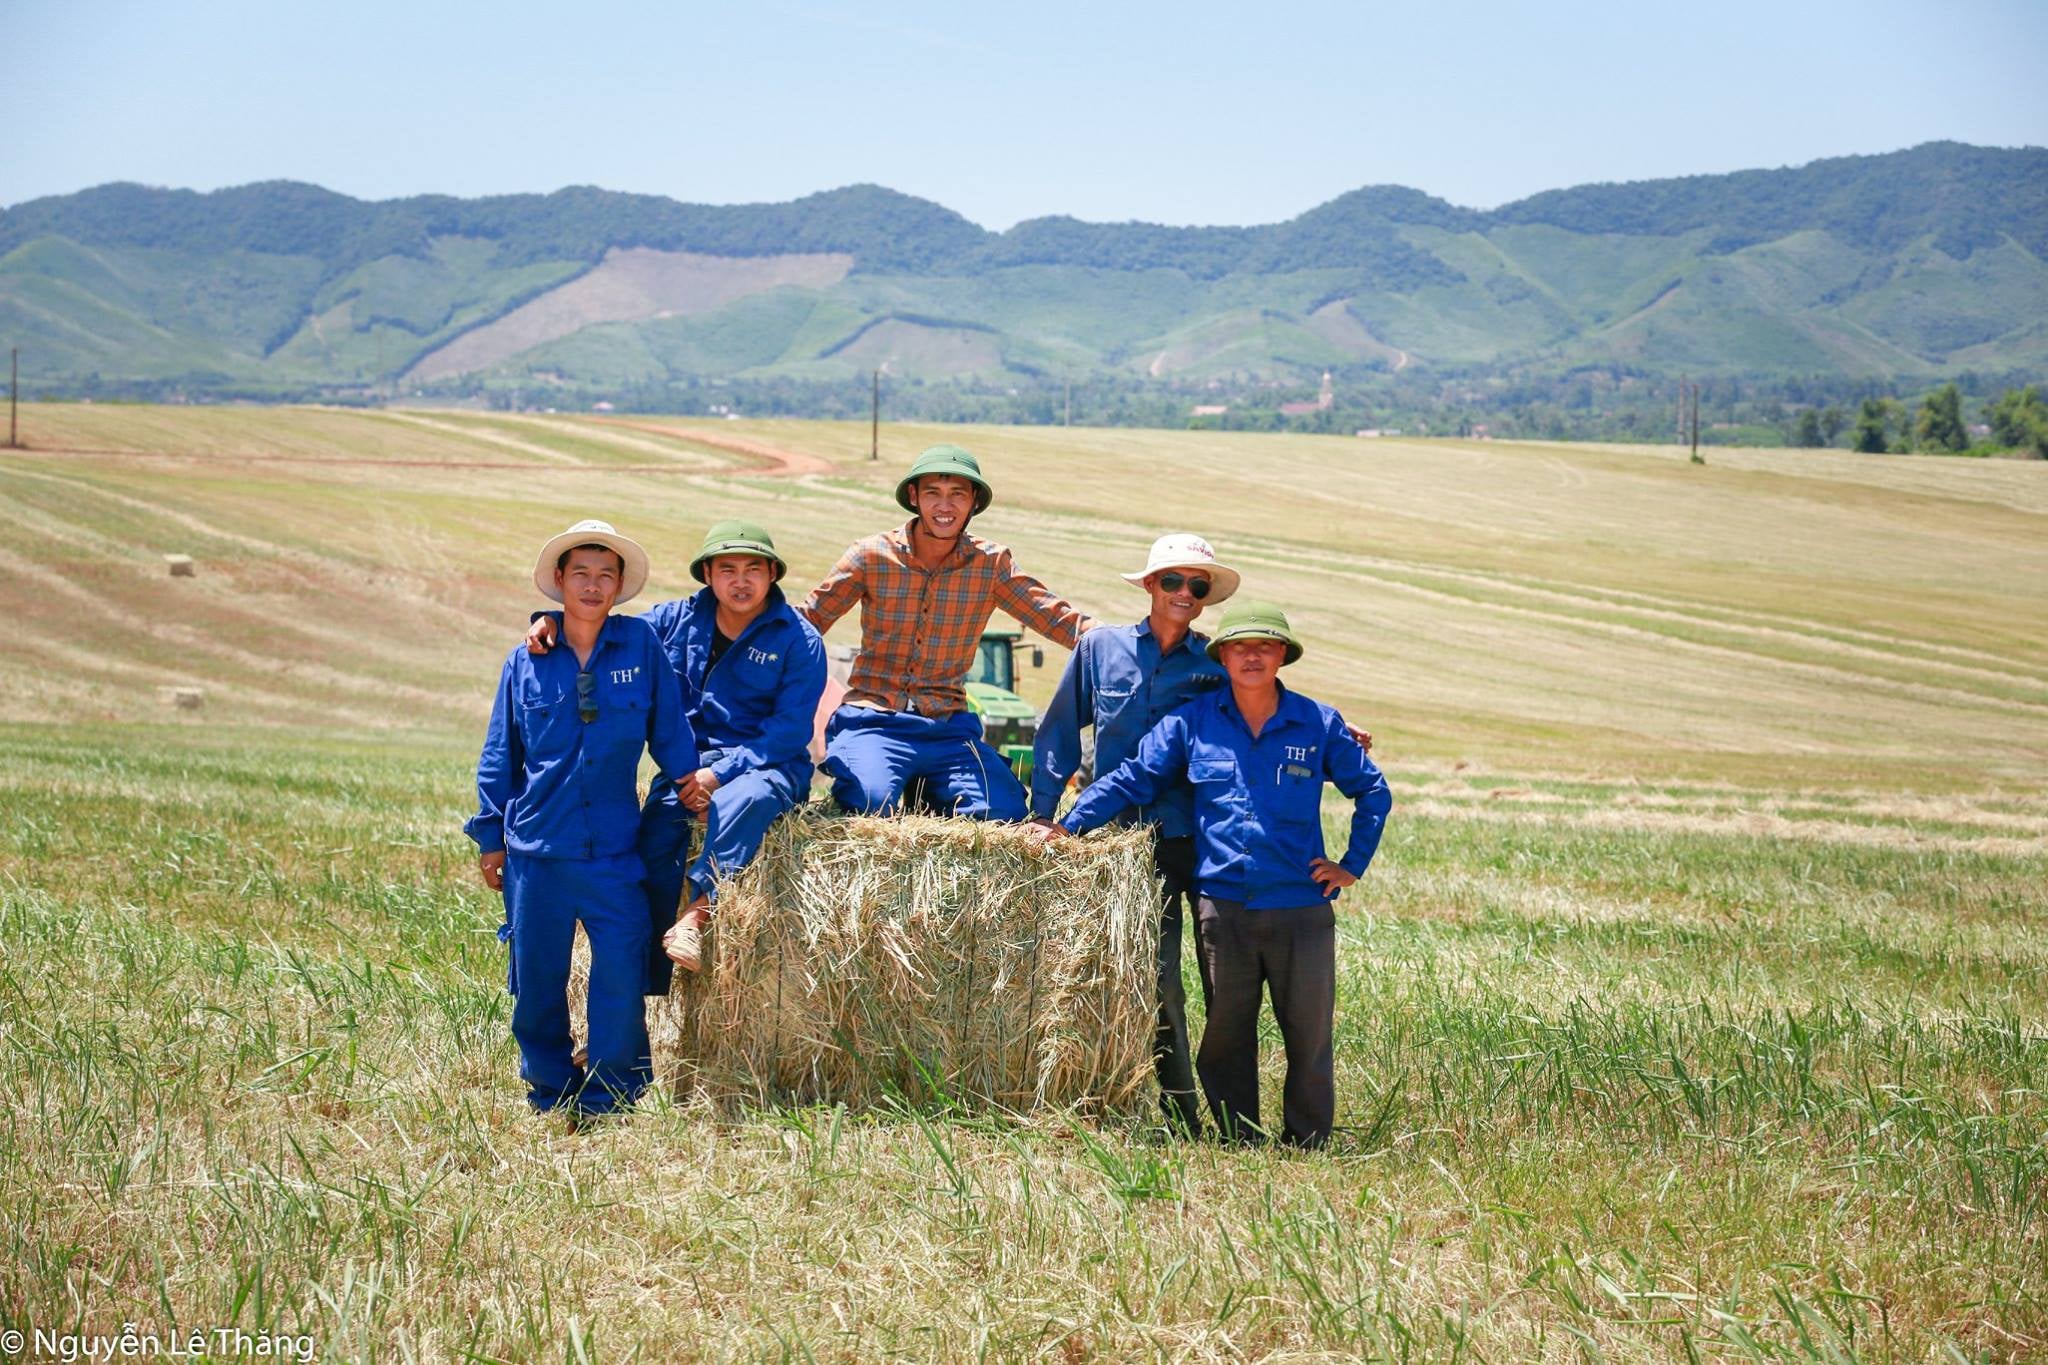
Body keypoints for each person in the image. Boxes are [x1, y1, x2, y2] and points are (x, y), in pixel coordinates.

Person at [1037, 601, 1390, 1148]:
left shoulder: (1317, 724)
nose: (1252, 656)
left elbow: (1372, 791)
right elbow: (1133, 777)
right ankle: (1238, 1138)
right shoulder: (1192, 722)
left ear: (1282, 656)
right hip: (1222, 906)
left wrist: (1351, 866)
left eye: (1265, 646)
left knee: (1309, 1034)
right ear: (1221, 656)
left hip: (1301, 905)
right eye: (1240, 647)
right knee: (1226, 1034)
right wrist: (1069, 825)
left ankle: (1308, 1142)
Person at [524, 520, 827, 979]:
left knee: (743, 800)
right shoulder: (673, 620)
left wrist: (719, 775)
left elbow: (787, 732)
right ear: (707, 574)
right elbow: (603, 628)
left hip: (769, 767)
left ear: (772, 575)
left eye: (753, 570)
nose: (740, 581)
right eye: (727, 569)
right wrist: (550, 621)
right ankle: (636, 1004)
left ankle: (697, 916)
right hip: (687, 768)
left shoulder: (800, 640)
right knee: (653, 845)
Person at [466, 520, 697, 1119]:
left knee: (620, 974)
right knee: (538, 982)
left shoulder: (642, 646)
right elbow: (501, 751)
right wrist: (491, 836)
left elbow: (668, 727)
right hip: (537, 851)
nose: (593, 587)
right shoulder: (526, 660)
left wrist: (691, 784)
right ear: (560, 583)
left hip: (616, 851)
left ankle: (610, 1097)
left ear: (620, 585)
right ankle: (548, 1089)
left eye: (606, 575)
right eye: (581, 575)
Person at [1028, 533, 1239, 1133]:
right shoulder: (1100, 648)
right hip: (1115, 840)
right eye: (1172, 581)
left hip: (1193, 837)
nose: (1185, 594)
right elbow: (1061, 729)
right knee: (1156, 976)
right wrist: (1045, 815)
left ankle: (1232, 1114)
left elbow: (1265, 704)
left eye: (1197, 586)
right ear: (1150, 585)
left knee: (1223, 978)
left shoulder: (1214, 666)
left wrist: (1334, 727)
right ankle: (1181, 1116)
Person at [799, 443, 1094, 820]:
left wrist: (1129, 642)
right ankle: (895, 776)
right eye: (933, 494)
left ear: (973, 502)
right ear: (913, 497)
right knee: (870, 803)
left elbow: (1056, 617)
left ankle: (932, 789)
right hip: (874, 720)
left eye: (957, 494)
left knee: (1002, 812)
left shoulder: (991, 564)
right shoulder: (870, 556)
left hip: (948, 728)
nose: (945, 506)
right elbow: (809, 620)